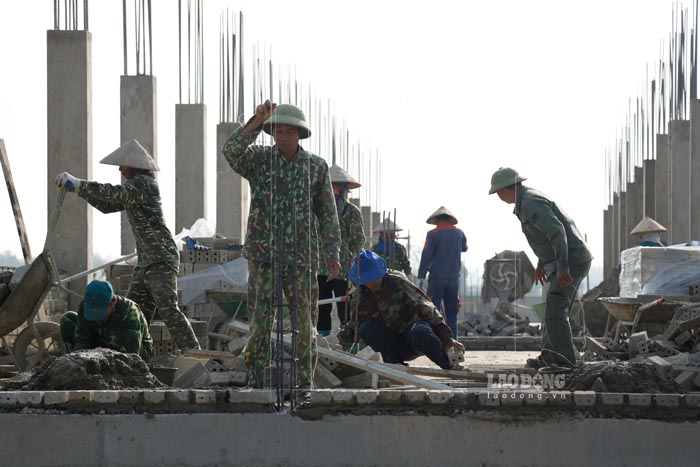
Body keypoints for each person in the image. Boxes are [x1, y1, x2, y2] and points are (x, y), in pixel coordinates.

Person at [221, 100, 341, 389]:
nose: (284, 136)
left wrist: (332, 253)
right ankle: (256, 381)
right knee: (261, 324)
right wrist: (256, 121)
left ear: (300, 134)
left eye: (290, 131)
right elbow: (231, 152)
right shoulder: (260, 160)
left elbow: (327, 213)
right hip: (263, 256)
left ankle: (304, 384)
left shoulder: (315, 167)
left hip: (301, 258)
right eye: (278, 131)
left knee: (304, 327)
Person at [54, 139, 200, 352]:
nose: (121, 169)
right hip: (146, 262)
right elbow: (107, 204)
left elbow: (115, 193)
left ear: (134, 165)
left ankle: (195, 354)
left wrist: (79, 184)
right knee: (134, 313)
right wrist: (79, 191)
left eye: (123, 165)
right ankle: (141, 358)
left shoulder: (144, 184)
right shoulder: (133, 190)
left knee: (168, 310)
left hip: (161, 258)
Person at [489, 167, 592, 369]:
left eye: (499, 193)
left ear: (506, 189)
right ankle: (550, 357)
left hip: (572, 261)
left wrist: (563, 267)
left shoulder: (530, 202)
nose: (499, 197)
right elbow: (544, 238)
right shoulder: (525, 201)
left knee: (555, 311)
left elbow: (557, 232)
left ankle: (564, 362)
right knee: (552, 311)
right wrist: (542, 263)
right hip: (565, 259)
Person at [344, 249, 464, 369]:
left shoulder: (398, 284)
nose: (372, 282)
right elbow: (354, 326)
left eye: (374, 277)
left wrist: (447, 339)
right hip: (390, 344)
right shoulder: (361, 297)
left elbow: (428, 310)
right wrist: (335, 346)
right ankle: (396, 367)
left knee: (421, 331)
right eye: (368, 280)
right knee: (366, 328)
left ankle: (448, 365)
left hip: (412, 337)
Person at [316, 164, 365, 337]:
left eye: (338, 190)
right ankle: (323, 340)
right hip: (320, 267)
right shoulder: (317, 211)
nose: (336, 193)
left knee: (346, 306)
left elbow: (358, 240)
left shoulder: (352, 212)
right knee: (322, 305)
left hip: (344, 269)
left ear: (345, 191)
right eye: (332, 189)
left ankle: (348, 338)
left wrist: (350, 255)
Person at [59, 279, 154, 362]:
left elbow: (132, 353)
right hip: (102, 341)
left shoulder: (130, 312)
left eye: (100, 310)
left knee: (114, 333)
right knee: (67, 319)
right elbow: (83, 339)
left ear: (113, 302)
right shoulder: (85, 305)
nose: (96, 316)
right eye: (92, 310)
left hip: (135, 349)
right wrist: (79, 360)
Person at [417, 206, 468, 339]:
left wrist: (420, 276)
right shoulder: (459, 233)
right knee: (452, 314)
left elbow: (426, 255)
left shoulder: (433, 234)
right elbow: (465, 248)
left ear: (436, 220)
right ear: (450, 220)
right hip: (454, 279)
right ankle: (454, 344)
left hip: (436, 279)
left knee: (432, 312)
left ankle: (435, 343)